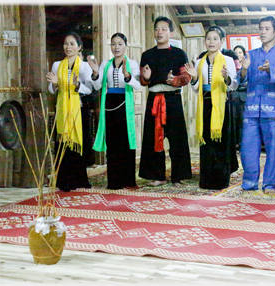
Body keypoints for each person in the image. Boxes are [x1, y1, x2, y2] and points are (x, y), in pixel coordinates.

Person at [239, 15, 275, 194]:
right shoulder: (251, 54)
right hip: (251, 110)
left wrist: (272, 70)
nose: (262, 32)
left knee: (272, 149)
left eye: (267, 29)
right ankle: (249, 182)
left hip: (274, 110)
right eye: (261, 28)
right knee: (247, 148)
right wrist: (245, 69)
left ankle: (270, 183)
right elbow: (241, 79)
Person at [139, 16, 192, 187]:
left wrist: (174, 80)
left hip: (172, 99)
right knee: (153, 138)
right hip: (154, 100)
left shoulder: (179, 53)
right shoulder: (146, 55)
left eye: (163, 29)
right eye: (157, 29)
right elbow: (142, 80)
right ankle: (158, 175)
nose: (159, 32)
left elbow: (186, 77)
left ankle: (178, 176)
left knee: (177, 139)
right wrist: (146, 78)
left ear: (170, 32)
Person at [185, 26, 239, 190]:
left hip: (222, 105)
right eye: (209, 38)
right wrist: (194, 78)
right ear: (205, 41)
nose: (211, 42)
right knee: (207, 142)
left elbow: (234, 85)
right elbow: (195, 89)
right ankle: (206, 180)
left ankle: (221, 180)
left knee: (221, 142)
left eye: (215, 39)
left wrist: (227, 78)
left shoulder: (228, 60)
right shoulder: (200, 61)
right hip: (205, 104)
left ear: (222, 41)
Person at [87, 32, 141, 190]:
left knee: (126, 142)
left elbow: (137, 86)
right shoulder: (105, 64)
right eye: (113, 44)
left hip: (125, 106)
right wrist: (96, 73)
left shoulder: (132, 63)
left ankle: (129, 180)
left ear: (126, 45)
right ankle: (114, 182)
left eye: (120, 44)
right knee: (113, 143)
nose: (116, 47)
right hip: (109, 105)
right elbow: (97, 87)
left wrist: (128, 76)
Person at [46, 32, 93, 192]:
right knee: (63, 144)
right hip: (62, 110)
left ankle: (79, 179)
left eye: (72, 44)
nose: (68, 47)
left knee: (77, 144)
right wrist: (55, 84)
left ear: (79, 47)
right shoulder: (57, 65)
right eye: (66, 44)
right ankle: (63, 181)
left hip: (79, 109)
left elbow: (89, 89)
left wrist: (78, 85)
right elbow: (52, 90)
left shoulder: (84, 66)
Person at [231, 45, 247, 148]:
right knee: (233, 120)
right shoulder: (230, 66)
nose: (238, 54)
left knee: (242, 121)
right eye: (236, 52)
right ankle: (234, 143)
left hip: (244, 97)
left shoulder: (247, 66)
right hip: (233, 96)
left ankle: (242, 143)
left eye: (240, 52)